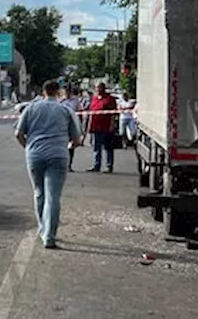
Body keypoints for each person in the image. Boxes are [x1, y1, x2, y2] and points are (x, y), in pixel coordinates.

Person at [15, 81, 83, 250]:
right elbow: (76, 139)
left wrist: (28, 147)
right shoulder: (65, 110)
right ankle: (49, 237)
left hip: (35, 155)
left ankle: (42, 228)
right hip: (58, 156)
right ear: (58, 92)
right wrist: (68, 146)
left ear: (43, 91)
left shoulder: (31, 108)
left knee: (39, 193)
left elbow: (18, 133)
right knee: (53, 197)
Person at [86, 82, 120, 173]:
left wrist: (112, 125)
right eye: (96, 87)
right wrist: (89, 127)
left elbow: (113, 114)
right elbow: (91, 113)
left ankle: (109, 166)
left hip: (106, 128)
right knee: (96, 148)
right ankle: (96, 166)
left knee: (108, 148)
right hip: (96, 127)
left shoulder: (110, 99)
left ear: (103, 88)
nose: (98, 89)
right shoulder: (94, 99)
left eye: (99, 87)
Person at [60, 84, 83, 171]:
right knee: (62, 146)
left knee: (71, 146)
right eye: (65, 91)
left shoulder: (75, 101)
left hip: (71, 125)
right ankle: (63, 164)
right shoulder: (60, 101)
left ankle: (69, 165)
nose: (67, 93)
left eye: (69, 91)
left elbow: (79, 112)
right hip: (62, 125)